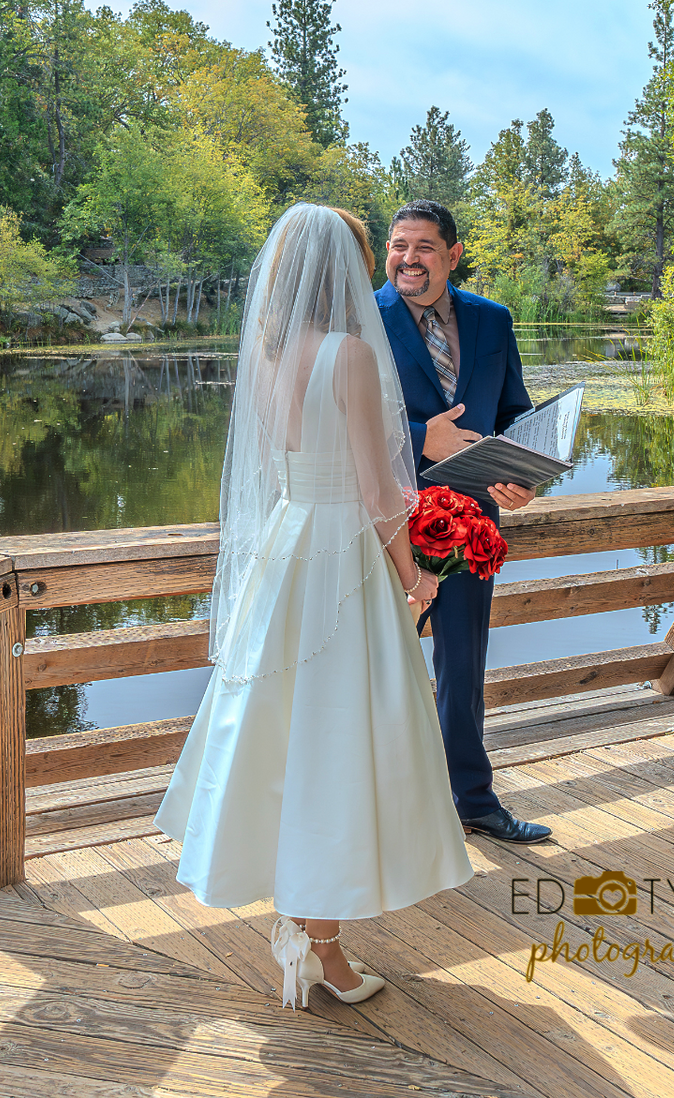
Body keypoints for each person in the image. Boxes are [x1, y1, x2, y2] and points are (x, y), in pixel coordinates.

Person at [155, 204, 473, 1009]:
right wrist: (415, 572)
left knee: (283, 738)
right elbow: (374, 490)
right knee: (339, 745)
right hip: (342, 563)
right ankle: (322, 949)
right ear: (343, 271)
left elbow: (278, 467)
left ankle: (302, 929)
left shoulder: (266, 356)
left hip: (286, 550)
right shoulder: (352, 356)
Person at [375, 198, 551, 845]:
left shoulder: (493, 321)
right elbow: (340, 419)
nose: (408, 259)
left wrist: (521, 476)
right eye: (398, 245)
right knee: (373, 665)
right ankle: (384, 810)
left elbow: (515, 414)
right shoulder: (363, 319)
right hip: (380, 524)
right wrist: (423, 437)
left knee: (463, 670)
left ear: (452, 255)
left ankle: (472, 799)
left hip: (469, 523)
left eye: (423, 247)